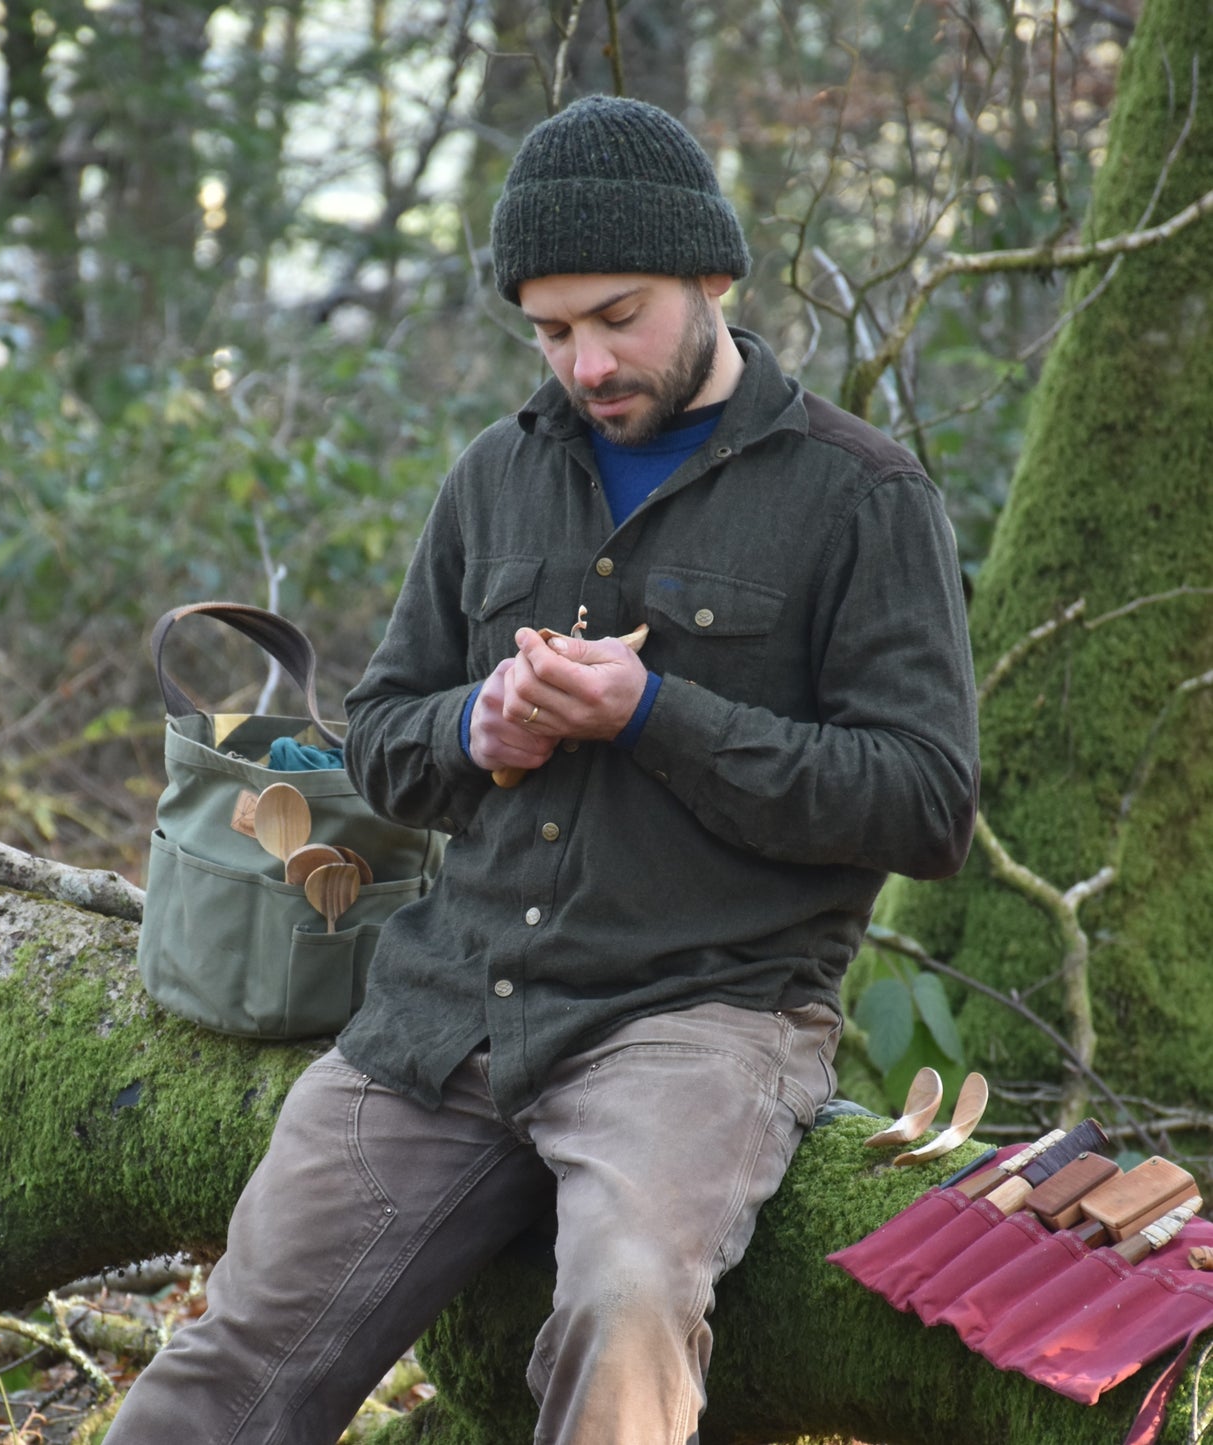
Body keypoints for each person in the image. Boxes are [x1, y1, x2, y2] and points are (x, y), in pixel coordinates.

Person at [105, 94, 979, 1445]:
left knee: (624, 1312)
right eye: (552, 328)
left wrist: (653, 712)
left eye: (617, 316)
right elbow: (385, 735)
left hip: (699, 1018)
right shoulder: (491, 480)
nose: (585, 361)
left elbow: (923, 803)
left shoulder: (859, 498)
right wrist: (478, 730)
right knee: (236, 1352)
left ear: (712, 279)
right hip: (442, 1012)